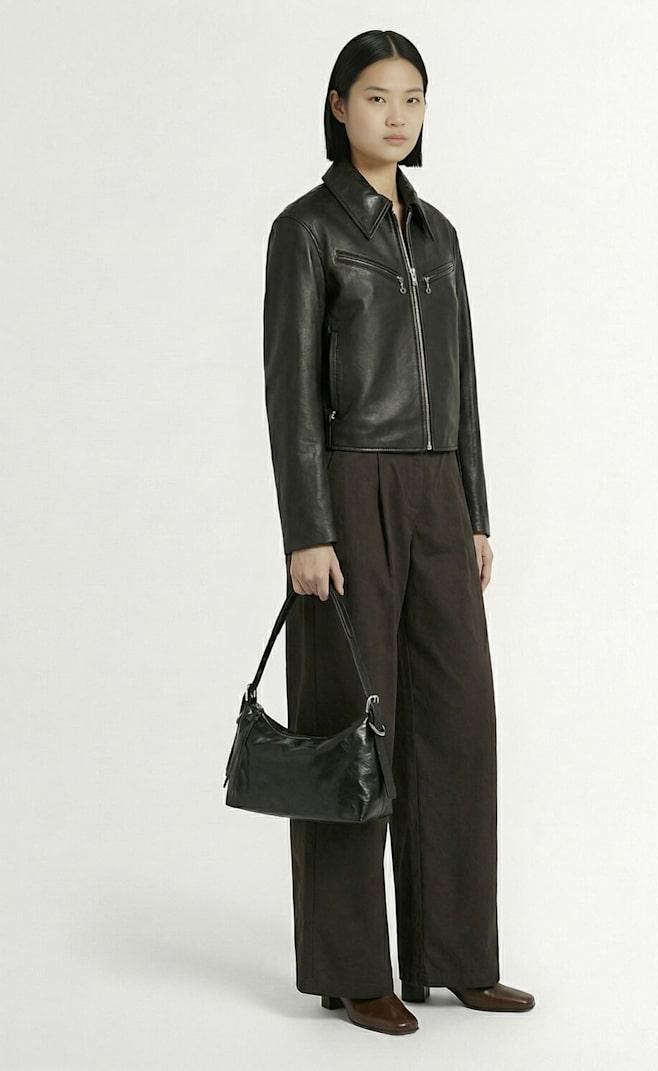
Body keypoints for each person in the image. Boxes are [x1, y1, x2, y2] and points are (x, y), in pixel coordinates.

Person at [262, 29, 535, 1035]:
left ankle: (454, 955)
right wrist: (307, 529)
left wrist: (474, 511)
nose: (397, 116)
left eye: (412, 98)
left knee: (457, 722)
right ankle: (351, 968)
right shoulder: (305, 229)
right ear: (339, 106)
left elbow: (464, 384)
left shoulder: (437, 234)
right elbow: (289, 390)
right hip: (347, 486)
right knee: (351, 727)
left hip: (436, 495)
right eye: (377, 97)